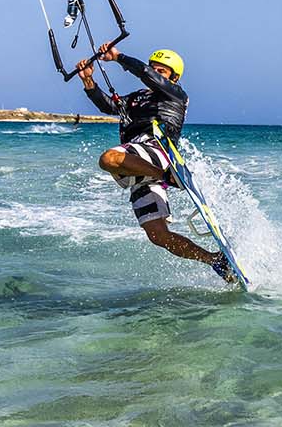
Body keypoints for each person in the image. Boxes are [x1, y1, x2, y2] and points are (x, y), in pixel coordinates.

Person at [76, 44, 234, 282]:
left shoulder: (177, 95)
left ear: (174, 78)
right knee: (157, 235)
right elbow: (108, 106)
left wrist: (119, 57)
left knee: (108, 158)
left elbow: (146, 75)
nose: (156, 72)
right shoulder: (137, 98)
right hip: (136, 161)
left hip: (157, 149)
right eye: (154, 68)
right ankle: (215, 260)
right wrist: (88, 81)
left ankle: (166, 175)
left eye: (163, 71)